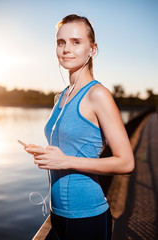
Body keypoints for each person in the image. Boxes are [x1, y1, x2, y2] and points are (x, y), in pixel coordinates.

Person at [24, 14, 135, 240]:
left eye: (76, 42)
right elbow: (69, 147)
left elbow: (126, 162)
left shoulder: (98, 95)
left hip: (87, 218)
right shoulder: (60, 97)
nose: (66, 49)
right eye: (61, 42)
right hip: (57, 215)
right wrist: (47, 154)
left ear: (92, 50)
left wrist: (65, 161)